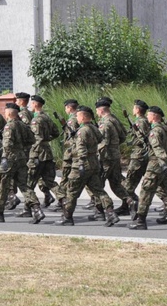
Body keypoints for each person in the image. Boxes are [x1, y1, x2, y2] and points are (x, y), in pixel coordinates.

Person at [129, 106, 167, 230]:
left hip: (156, 164)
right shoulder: (166, 128)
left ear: (155, 116)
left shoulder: (154, 131)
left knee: (146, 191)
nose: (147, 117)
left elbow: (158, 149)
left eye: (149, 115)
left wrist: (162, 161)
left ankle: (140, 221)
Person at [0, 103, 44, 223]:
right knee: (24, 185)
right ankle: (37, 209)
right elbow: (32, 140)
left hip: (9, 159)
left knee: (3, 186)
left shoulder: (8, 126)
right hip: (21, 158)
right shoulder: (23, 125)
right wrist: (21, 147)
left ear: (8, 113)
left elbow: (7, 145)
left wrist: (5, 154)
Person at [57, 105, 113, 227]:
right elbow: (99, 139)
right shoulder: (93, 127)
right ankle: (110, 213)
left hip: (81, 165)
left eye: (77, 115)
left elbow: (81, 150)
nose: (76, 118)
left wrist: (81, 163)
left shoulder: (82, 131)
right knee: (99, 191)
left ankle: (67, 217)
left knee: (72, 192)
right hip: (93, 163)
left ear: (82, 117)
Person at [94, 97, 136, 226]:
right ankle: (130, 201)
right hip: (115, 156)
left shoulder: (105, 123)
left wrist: (97, 155)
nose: (96, 113)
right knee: (116, 183)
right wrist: (115, 146)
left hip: (106, 158)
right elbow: (123, 135)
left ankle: (100, 211)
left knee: (97, 185)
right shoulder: (114, 119)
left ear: (101, 110)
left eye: (97, 111)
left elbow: (103, 142)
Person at [23, 94, 59, 212]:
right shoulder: (46, 117)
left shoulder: (36, 120)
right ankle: (64, 201)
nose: (30, 105)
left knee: (29, 183)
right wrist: (46, 140)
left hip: (37, 154)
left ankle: (28, 209)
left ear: (35, 104)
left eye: (32, 103)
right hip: (47, 152)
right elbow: (56, 132)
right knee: (49, 181)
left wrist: (33, 150)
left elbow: (37, 139)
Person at [119, 99, 150, 218]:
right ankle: (126, 206)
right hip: (140, 154)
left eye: (134, 107)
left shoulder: (140, 122)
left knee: (129, 184)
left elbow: (143, 139)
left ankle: (133, 203)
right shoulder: (141, 121)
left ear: (137, 109)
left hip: (139, 156)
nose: (132, 110)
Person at [53, 99, 80, 211]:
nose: (65, 109)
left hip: (71, 153)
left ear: (69, 108)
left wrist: (66, 143)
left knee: (65, 177)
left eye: (66, 107)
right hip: (73, 152)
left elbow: (74, 138)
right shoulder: (77, 118)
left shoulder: (72, 120)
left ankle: (63, 200)